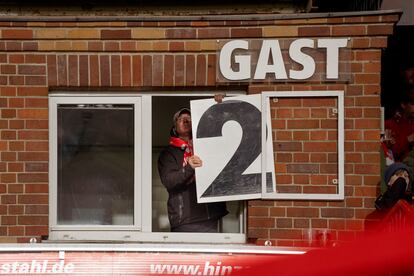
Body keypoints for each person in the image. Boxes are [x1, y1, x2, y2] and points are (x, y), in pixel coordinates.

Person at [157, 107, 228, 232]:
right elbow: (169, 181)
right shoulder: (168, 153)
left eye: (189, 119)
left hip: (209, 217)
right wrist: (189, 168)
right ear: (175, 126)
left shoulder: (205, 146)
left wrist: (219, 105)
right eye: (181, 119)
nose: (185, 121)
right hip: (185, 221)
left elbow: (222, 128)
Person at [384, 85, 414, 161]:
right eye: (413, 104)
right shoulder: (390, 124)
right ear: (403, 105)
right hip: (400, 168)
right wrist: (408, 139)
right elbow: (392, 152)